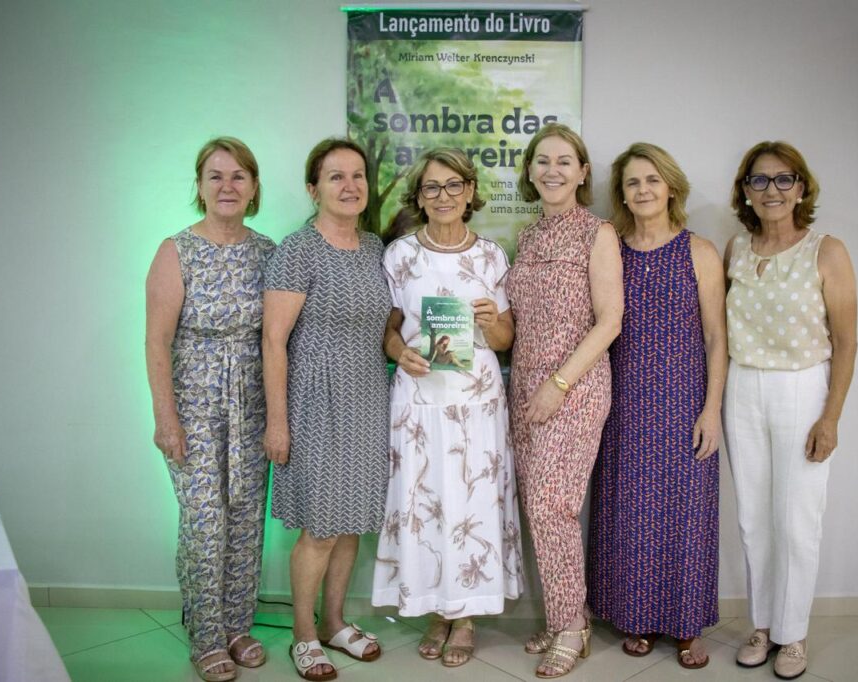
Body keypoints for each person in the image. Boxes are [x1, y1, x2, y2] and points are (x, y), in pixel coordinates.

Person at [371, 147, 523, 668]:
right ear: (420, 195)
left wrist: (488, 321)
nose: (443, 196)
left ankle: (466, 616)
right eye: (432, 187)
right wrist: (401, 353)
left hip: (476, 403)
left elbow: (504, 340)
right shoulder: (399, 257)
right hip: (418, 402)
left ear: (470, 192)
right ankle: (436, 609)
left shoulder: (492, 257)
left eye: (454, 185)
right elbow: (388, 330)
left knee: (471, 505)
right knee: (426, 504)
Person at [585, 143, 727, 669]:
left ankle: (686, 627)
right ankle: (637, 618)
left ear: (670, 187)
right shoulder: (610, 249)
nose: (643, 190)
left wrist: (711, 409)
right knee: (628, 514)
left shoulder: (700, 251)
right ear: (621, 194)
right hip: (623, 404)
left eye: (652, 180)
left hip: (686, 402)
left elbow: (716, 338)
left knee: (687, 516)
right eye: (631, 183)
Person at [723, 141, 857, 679]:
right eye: (760, 180)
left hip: (802, 388)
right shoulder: (735, 249)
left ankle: (793, 633)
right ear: (746, 191)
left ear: (801, 188)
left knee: (798, 518)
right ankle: (762, 625)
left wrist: (831, 417)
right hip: (742, 386)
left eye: (784, 180)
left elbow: (846, 342)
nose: (772, 190)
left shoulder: (827, 250)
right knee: (754, 518)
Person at [145, 137, 275, 682]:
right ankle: (204, 633)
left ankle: (238, 625)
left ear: (253, 188)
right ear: (200, 187)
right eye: (216, 176)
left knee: (245, 517)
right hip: (195, 404)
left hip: (253, 402)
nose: (228, 186)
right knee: (204, 521)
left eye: (239, 176)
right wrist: (165, 419)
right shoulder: (176, 250)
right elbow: (157, 342)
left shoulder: (268, 251)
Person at [262, 138, 391, 681]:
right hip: (315, 402)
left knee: (352, 521)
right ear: (314, 189)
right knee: (319, 526)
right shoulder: (297, 249)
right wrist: (276, 420)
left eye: (357, 175)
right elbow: (273, 340)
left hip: (368, 399)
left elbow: (386, 330)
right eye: (336, 177)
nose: (349, 185)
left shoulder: (376, 248)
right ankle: (304, 636)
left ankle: (336, 623)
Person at [505, 123, 624, 679]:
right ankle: (559, 616)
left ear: (582, 173)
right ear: (529, 172)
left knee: (553, 505)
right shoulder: (526, 239)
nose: (552, 170)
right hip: (522, 389)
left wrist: (558, 385)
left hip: (572, 388)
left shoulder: (596, 233)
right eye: (542, 161)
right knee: (539, 508)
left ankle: (573, 630)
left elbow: (610, 322)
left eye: (565, 161)